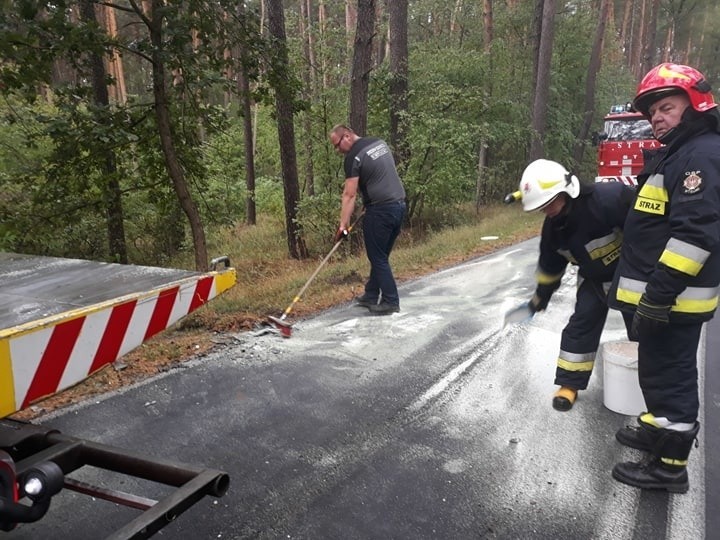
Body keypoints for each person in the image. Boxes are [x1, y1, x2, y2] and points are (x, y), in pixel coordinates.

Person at [607, 63, 720, 494]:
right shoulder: (679, 153)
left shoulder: (701, 156)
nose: (657, 117)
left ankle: (669, 468)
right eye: (653, 111)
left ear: (695, 105)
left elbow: (695, 234)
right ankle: (658, 431)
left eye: (667, 107)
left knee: (670, 376)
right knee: (657, 370)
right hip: (665, 298)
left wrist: (657, 296)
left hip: (673, 299)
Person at [516, 159, 635, 411]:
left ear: (565, 192)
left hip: (630, 273)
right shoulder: (554, 231)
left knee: (643, 328)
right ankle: (569, 384)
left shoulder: (609, 199)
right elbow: (550, 270)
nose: (546, 210)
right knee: (580, 326)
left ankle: (650, 388)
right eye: (541, 207)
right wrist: (538, 300)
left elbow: (648, 228)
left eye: (549, 203)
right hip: (593, 279)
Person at [329, 125, 407, 315]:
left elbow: (349, 194)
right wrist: (369, 200)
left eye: (338, 145)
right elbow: (380, 176)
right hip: (399, 206)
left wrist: (343, 225)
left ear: (347, 136)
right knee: (380, 255)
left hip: (381, 211)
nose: (338, 151)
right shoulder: (378, 142)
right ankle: (371, 294)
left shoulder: (353, 157)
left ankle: (390, 301)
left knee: (377, 257)